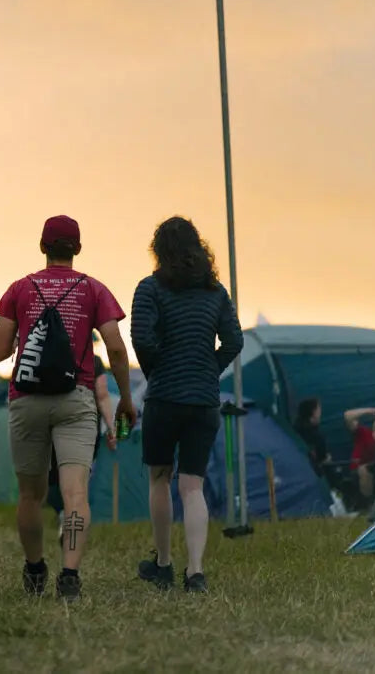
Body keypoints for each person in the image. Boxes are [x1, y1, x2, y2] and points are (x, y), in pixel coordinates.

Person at [0, 215, 136, 602]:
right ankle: (69, 574)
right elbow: (116, 347)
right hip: (77, 400)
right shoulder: (93, 289)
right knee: (75, 494)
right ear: (78, 249)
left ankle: (35, 567)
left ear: (42, 246)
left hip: (27, 401)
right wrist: (124, 397)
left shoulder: (20, 288)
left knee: (30, 495)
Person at [132, 216, 243, 594]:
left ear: (160, 251)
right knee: (192, 486)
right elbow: (234, 341)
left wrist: (157, 372)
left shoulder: (149, 289)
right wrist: (208, 369)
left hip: (164, 398)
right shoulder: (216, 292)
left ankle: (163, 564)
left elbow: (142, 339)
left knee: (159, 479)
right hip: (204, 401)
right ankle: (195, 572)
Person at [47, 353, 116, 521]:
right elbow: (102, 395)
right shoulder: (94, 360)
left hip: (56, 421)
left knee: (55, 472)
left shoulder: (51, 355)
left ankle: (63, 511)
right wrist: (111, 427)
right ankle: (73, 512)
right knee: (81, 472)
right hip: (87, 424)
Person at [344, 406, 375, 504]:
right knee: (364, 470)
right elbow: (348, 416)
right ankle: (366, 505)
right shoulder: (363, 433)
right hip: (360, 474)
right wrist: (371, 411)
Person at [294, 398, 330, 477]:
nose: (320, 413)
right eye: (318, 411)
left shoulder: (294, 430)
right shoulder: (318, 438)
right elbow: (322, 461)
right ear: (313, 414)